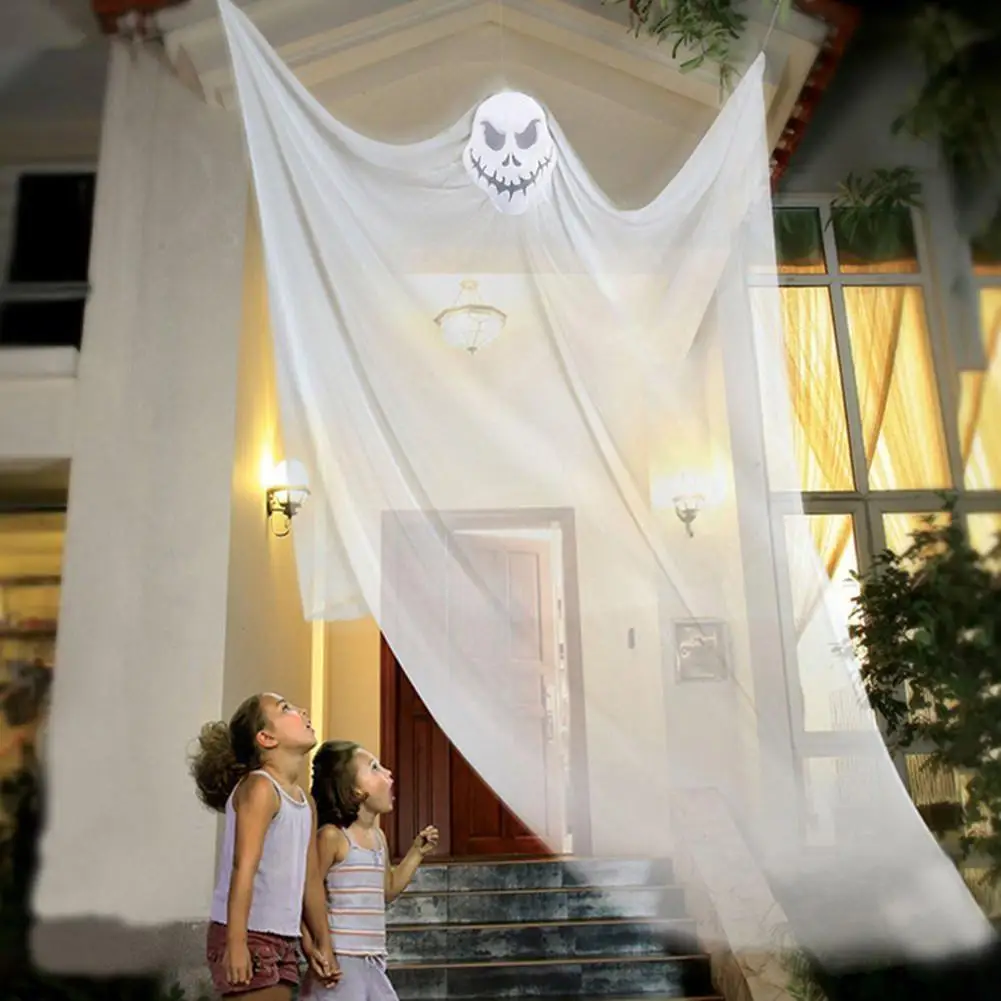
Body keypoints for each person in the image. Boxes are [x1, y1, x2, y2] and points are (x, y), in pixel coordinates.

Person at [190, 692, 339, 999]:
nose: (302, 710)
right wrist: (236, 943)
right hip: (249, 934)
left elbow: (310, 878)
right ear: (266, 738)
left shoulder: (305, 802)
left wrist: (322, 942)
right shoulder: (260, 788)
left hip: (283, 938)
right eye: (286, 708)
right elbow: (243, 868)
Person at [302, 740, 439, 1000]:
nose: (388, 773)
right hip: (341, 958)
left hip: (373, 958)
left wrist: (416, 853)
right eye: (374, 767)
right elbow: (307, 892)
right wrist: (314, 947)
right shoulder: (332, 837)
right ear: (356, 791)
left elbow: (387, 890)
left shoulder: (378, 837)